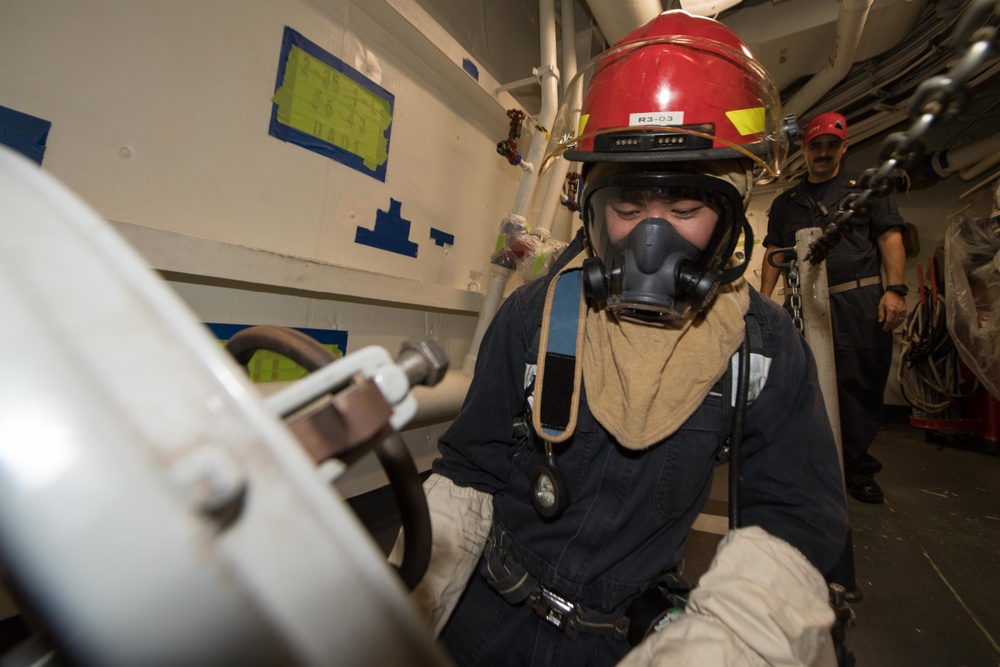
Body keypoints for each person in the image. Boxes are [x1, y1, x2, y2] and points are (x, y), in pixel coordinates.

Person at [392, 11, 848, 666]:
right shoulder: (537, 315)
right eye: (628, 208)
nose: (648, 242)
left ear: (730, 210)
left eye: (684, 210)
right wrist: (405, 603)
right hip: (486, 620)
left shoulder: (762, 349)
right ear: (592, 206)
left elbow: (792, 522)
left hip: (619, 644)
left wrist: (717, 646)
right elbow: (468, 474)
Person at [760, 112, 909, 504]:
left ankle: (857, 468)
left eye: (831, 145)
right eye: (815, 145)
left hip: (858, 298)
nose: (823, 153)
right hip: (804, 302)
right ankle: (811, 462)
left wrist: (895, 290)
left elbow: (890, 238)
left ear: (845, 146)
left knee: (859, 383)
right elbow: (774, 252)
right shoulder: (787, 202)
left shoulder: (867, 191)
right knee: (800, 381)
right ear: (805, 149)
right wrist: (761, 302)